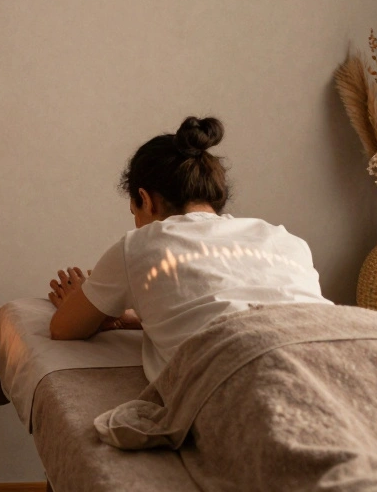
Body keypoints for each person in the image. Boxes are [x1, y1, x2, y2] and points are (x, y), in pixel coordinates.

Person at [45, 116, 331, 381]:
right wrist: (129, 320)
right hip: (336, 347)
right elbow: (222, 305)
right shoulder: (282, 237)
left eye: (134, 210)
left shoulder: (139, 244)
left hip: (248, 369)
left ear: (145, 199)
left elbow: (63, 329)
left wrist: (77, 301)